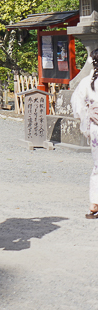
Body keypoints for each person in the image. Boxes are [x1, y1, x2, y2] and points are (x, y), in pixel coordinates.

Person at [70, 48, 98, 220]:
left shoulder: (87, 82)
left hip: (96, 128)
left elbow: (77, 104)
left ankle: (94, 202)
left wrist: (87, 121)